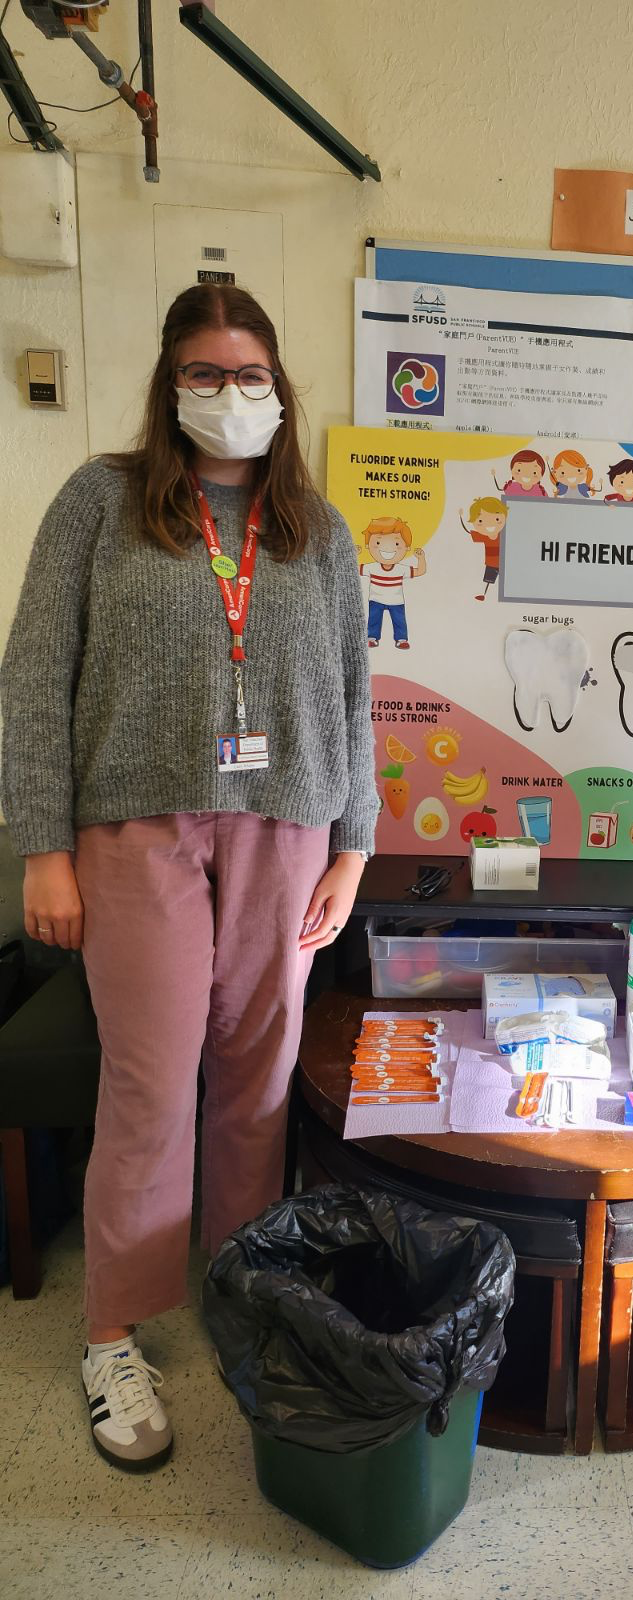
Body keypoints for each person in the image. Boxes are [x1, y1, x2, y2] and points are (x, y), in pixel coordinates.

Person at [0, 283, 376, 1472]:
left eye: (250, 373)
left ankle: (243, 1287)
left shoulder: (316, 526)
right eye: (206, 373)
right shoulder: (100, 503)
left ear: (281, 387)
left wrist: (356, 843)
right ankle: (112, 1327)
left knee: (257, 1075)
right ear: (171, 384)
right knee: (153, 1081)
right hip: (138, 828)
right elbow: (33, 676)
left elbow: (356, 696)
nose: (230, 394)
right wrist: (41, 844)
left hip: (287, 827)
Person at [359, 517, 425, 646]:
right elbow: (355, 569)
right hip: (376, 599)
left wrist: (421, 559)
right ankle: (371, 637)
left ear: (406, 548)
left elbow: (419, 571)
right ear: (368, 546)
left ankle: (401, 639)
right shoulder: (372, 567)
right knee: (374, 619)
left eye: (396, 544)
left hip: (396, 601)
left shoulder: (400, 569)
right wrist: (353, 555)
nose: (388, 548)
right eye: (378, 543)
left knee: (399, 620)